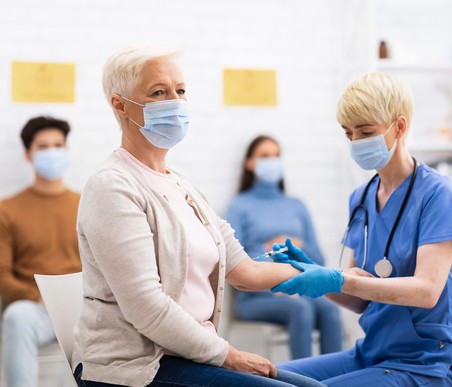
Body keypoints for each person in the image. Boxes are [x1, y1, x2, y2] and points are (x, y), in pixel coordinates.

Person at [71, 45, 325, 387]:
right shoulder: (111, 187)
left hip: (187, 357)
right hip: (135, 369)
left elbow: (245, 271)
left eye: (180, 91)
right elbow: (146, 307)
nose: (175, 102)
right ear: (120, 105)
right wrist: (229, 356)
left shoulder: (182, 185)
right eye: (159, 92)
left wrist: (322, 274)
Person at [268, 72, 452, 386]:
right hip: (371, 353)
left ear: (399, 126)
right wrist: (311, 272)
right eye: (348, 133)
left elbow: (427, 291)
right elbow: (358, 299)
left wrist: (339, 279)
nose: (355, 142)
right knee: (270, 380)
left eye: (365, 131)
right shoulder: (361, 198)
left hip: (424, 365)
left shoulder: (439, 195)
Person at [226, 135, 343, 360]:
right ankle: (303, 380)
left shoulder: (296, 205)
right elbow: (234, 262)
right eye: (265, 156)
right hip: (255, 298)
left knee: (330, 310)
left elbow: (318, 259)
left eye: (277, 156)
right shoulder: (239, 206)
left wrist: (298, 245)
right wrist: (269, 250)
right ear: (249, 163)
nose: (273, 161)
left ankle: (330, 380)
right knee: (301, 309)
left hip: (299, 291)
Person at [0, 116, 82, 387]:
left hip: (81, 307)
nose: (52, 152)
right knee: (16, 317)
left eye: (58, 145)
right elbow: (3, 275)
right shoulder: (7, 209)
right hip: (35, 309)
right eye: (43, 146)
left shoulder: (85, 205)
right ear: (28, 154)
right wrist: (38, 298)